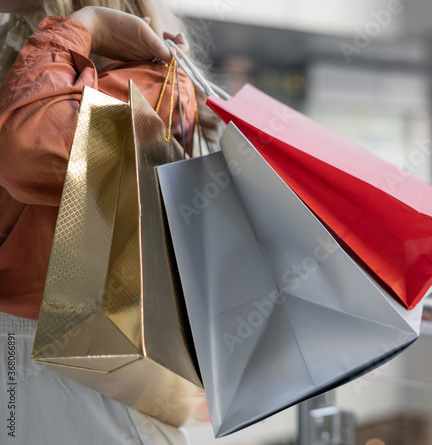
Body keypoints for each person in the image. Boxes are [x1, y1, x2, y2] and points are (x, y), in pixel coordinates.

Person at [0, 1, 199, 443]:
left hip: (89, 377)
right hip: (36, 368)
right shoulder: (22, 63)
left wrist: (85, 26)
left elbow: (32, 151)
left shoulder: (151, 80)